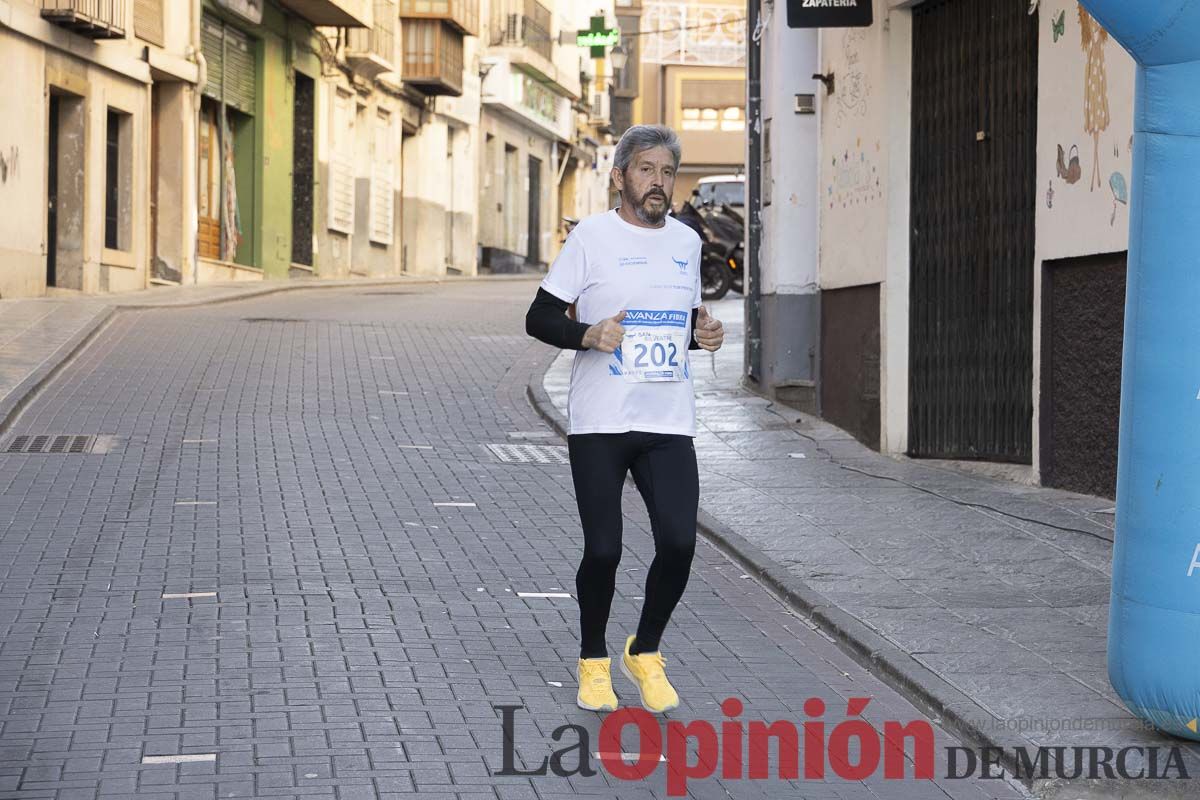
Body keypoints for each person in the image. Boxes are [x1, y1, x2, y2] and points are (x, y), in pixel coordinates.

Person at [524, 125, 725, 714]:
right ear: (620, 177)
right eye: (646, 170)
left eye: (667, 172)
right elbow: (538, 318)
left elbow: (677, 328)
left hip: (667, 420)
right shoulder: (591, 237)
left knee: (680, 542)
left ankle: (646, 649)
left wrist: (702, 335)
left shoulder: (687, 242)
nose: (658, 182)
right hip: (600, 423)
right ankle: (593, 660)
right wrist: (586, 333)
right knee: (605, 550)